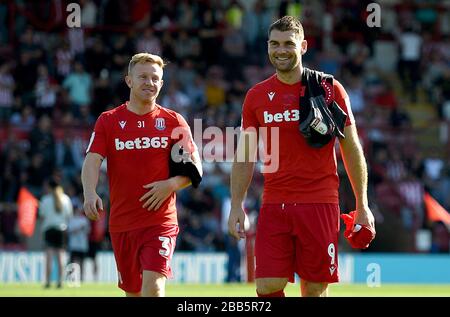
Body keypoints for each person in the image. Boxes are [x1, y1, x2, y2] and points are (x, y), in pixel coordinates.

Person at [228, 16, 375, 297]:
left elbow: (351, 148)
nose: (280, 50)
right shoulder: (256, 96)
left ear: (304, 46)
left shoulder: (329, 88)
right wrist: (237, 204)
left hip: (319, 202)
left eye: (288, 44)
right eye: (274, 44)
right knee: (267, 286)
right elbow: (245, 155)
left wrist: (362, 204)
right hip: (274, 203)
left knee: (315, 288)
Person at [81, 53, 202, 297]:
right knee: (133, 293)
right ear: (129, 81)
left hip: (160, 222)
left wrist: (170, 184)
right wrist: (90, 192)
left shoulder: (173, 121)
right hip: (122, 223)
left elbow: (195, 169)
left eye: (155, 78)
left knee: (154, 288)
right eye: (143, 77)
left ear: (162, 83)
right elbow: (93, 160)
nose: (150, 83)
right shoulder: (109, 121)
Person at [39, 178, 73, 288]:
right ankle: (60, 282)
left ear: (49, 187)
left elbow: (42, 216)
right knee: (61, 257)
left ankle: (48, 282)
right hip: (61, 229)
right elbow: (69, 216)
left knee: (49, 257)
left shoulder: (45, 200)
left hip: (49, 229)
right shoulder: (66, 199)